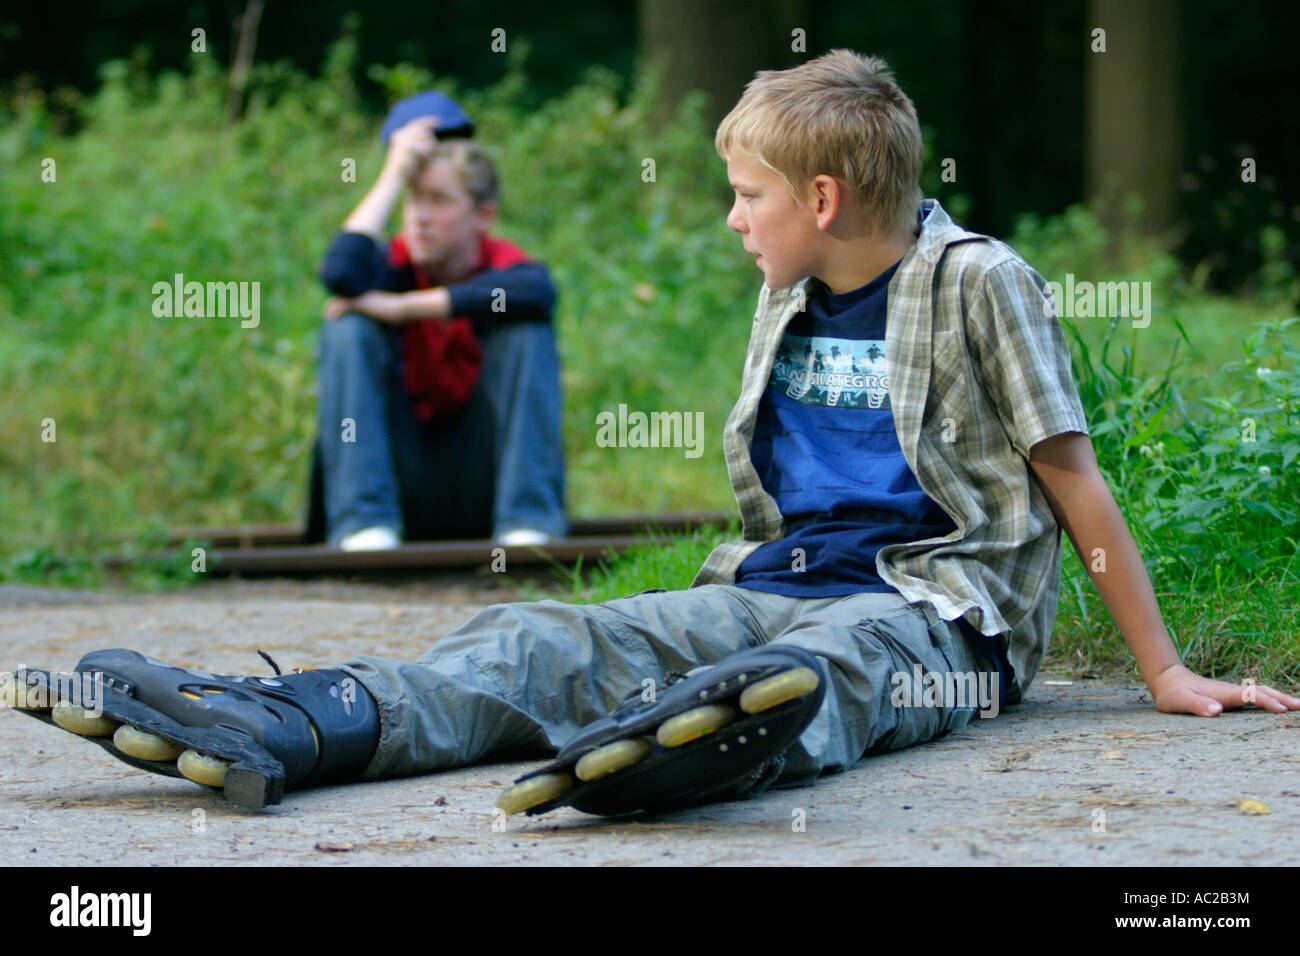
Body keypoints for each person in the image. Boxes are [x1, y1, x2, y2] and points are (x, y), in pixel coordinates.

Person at [9, 51, 1298, 818]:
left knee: (849, 660)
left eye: (747, 195)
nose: (733, 219)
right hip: (771, 590)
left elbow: (1069, 478)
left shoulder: (978, 281)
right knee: (553, 637)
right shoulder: (786, 291)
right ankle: (294, 724)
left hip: (930, 613)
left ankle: (691, 748)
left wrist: (1165, 671)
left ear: (824, 195)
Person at [306, 90, 567, 549]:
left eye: (440, 201)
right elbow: (341, 272)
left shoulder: (503, 266)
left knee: (525, 327)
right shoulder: (390, 265)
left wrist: (405, 307)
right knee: (347, 327)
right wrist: (392, 174)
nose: (421, 218)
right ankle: (364, 525)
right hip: (402, 481)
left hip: (478, 480)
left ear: (483, 215)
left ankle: (527, 524)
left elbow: (539, 291)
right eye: (413, 200)